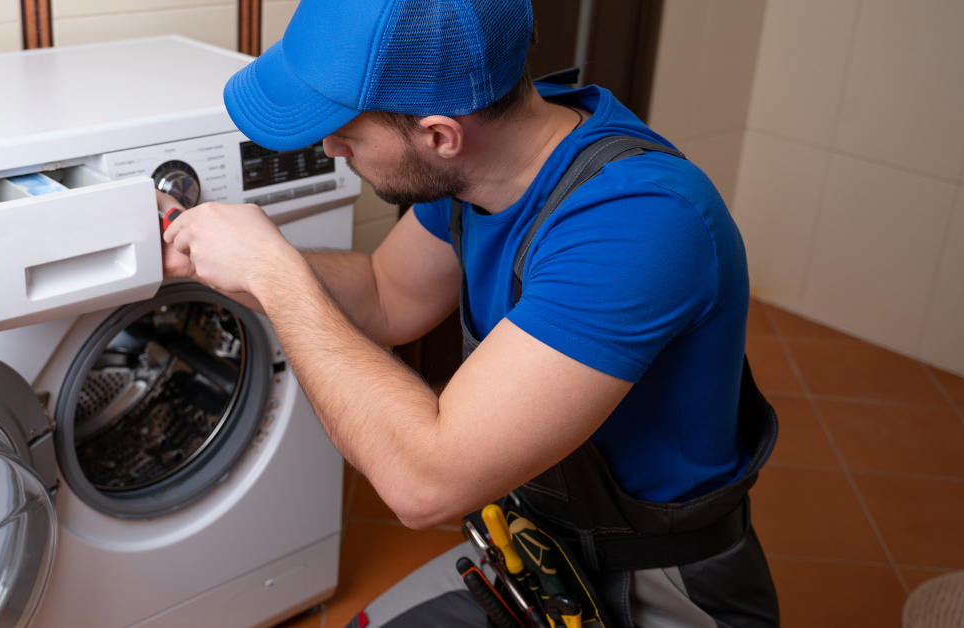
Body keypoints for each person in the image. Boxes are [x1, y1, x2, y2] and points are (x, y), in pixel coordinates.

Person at [159, 0, 780, 626]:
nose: (330, 146)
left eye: (345, 129)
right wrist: (238, 264)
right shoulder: (484, 163)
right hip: (537, 551)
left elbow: (423, 483)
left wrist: (275, 274)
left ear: (439, 136)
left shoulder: (640, 221)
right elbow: (384, 293)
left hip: (655, 583)